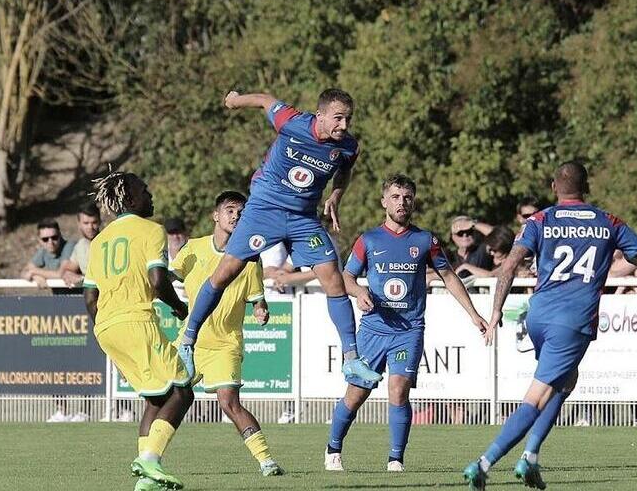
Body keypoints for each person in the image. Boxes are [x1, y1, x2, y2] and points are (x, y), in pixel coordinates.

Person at [464, 161, 637, 490]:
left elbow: (510, 264)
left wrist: (496, 310)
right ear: (588, 187)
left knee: (566, 381)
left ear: (554, 187)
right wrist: (620, 251)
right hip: (572, 319)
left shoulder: (539, 220)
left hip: (538, 314)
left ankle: (531, 458)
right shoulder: (608, 222)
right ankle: (483, 463)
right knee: (538, 396)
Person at [178, 86, 380, 384]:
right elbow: (264, 100)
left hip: (303, 218)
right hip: (264, 209)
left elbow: (344, 172)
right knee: (225, 274)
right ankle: (187, 341)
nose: (344, 126)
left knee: (333, 278)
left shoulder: (348, 146)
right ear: (321, 115)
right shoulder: (292, 121)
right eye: (338, 118)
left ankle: (351, 359)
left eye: (348, 119)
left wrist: (336, 196)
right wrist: (234, 102)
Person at [325, 174, 487, 473]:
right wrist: (360, 292)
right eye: (396, 197)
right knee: (356, 393)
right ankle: (333, 449)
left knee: (399, 390)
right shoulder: (369, 240)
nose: (402, 202)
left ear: (414, 201)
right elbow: (345, 277)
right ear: (384, 201)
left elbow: (449, 276)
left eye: (407, 197)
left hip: (409, 330)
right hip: (374, 329)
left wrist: (474, 313)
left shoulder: (425, 240)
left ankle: (396, 460)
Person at [82, 169, 193, 491]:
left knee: (156, 400)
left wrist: (107, 323)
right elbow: (158, 282)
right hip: (135, 321)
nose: (151, 194)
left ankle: (147, 480)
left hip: (105, 327)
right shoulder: (150, 230)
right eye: (145, 190)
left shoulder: (99, 240)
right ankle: (150, 461)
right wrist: (180, 307)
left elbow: (90, 297)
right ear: (130, 197)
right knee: (181, 391)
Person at [169, 191, 284, 477]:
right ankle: (149, 458)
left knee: (229, 402)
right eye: (230, 210)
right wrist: (170, 302)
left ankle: (266, 461)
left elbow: (258, 298)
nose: (236, 216)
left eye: (241, 211)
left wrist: (261, 309)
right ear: (216, 215)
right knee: (166, 399)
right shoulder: (193, 248)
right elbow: (168, 278)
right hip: (189, 342)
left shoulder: (249, 258)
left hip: (225, 344)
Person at [20, 221, 74, 291]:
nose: (50, 242)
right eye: (45, 239)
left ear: (60, 235)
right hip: (59, 298)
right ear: (39, 240)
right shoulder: (44, 250)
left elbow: (60, 274)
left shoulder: (70, 246)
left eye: (54, 237)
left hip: (79, 297)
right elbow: (24, 272)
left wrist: (33, 271)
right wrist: (36, 276)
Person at [60, 204, 102, 289]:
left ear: (100, 222)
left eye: (94, 222)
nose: (90, 227)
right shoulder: (80, 246)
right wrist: (68, 274)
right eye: (86, 223)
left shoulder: (109, 241)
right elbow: (68, 269)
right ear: (79, 224)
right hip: (90, 296)